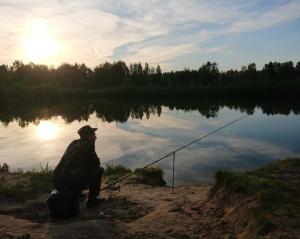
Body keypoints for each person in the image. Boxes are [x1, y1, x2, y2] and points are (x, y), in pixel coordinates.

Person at [53, 125, 104, 208]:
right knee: (99, 171)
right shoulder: (88, 145)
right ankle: (92, 201)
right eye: (93, 134)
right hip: (68, 184)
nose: (95, 137)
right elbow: (96, 164)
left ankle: (78, 194)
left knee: (78, 171)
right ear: (87, 136)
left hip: (58, 182)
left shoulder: (74, 143)